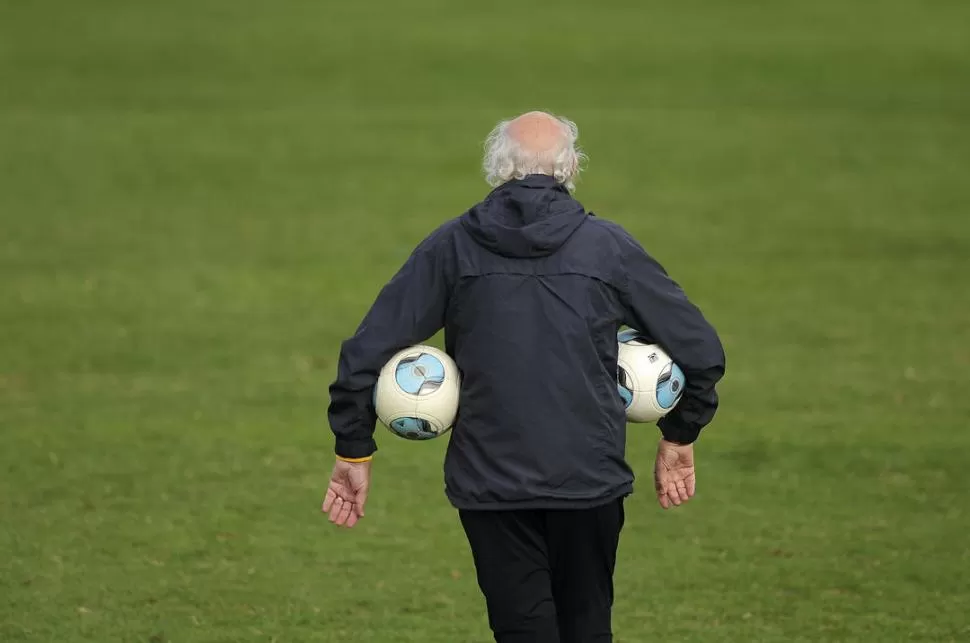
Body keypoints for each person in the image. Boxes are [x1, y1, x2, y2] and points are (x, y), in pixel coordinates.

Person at [322, 111, 726, 642]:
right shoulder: (607, 248)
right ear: (571, 168)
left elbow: (366, 351)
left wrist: (354, 449)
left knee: (522, 632)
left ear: (497, 168)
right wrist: (680, 435)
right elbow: (700, 351)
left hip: (492, 486)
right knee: (586, 628)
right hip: (588, 481)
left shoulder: (452, 247)